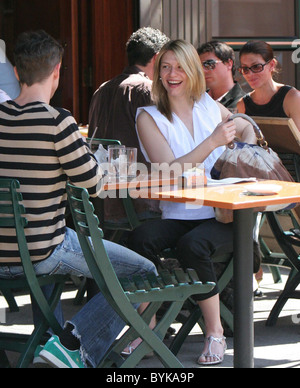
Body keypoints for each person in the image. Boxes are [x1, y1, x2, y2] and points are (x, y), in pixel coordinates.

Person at [0, 30, 156, 368]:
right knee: (144, 272)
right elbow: (93, 183)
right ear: (57, 70)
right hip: (43, 250)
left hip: (3, 249)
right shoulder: (58, 121)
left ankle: (47, 338)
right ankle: (72, 344)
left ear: (16, 72)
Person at [127, 39, 256, 366]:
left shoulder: (208, 106)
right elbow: (169, 171)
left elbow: (243, 125)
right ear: (157, 73)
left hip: (223, 215)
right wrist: (213, 141)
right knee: (138, 239)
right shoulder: (149, 117)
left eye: (180, 67)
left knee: (193, 245)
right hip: (179, 213)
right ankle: (149, 326)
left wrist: (243, 149)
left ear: (192, 71)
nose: (172, 74)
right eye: (166, 67)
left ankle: (215, 331)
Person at [88, 27, 169, 225]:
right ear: (157, 57)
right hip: (143, 203)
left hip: (102, 205)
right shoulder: (146, 89)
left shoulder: (101, 89)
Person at [237, 40, 300, 130]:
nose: (250, 74)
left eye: (256, 66)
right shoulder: (242, 104)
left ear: (271, 65)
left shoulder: (293, 98)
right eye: (245, 69)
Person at [197, 40, 245, 110]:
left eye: (209, 64)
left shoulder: (243, 103)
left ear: (229, 64)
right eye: (199, 67)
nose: (203, 71)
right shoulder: (197, 100)